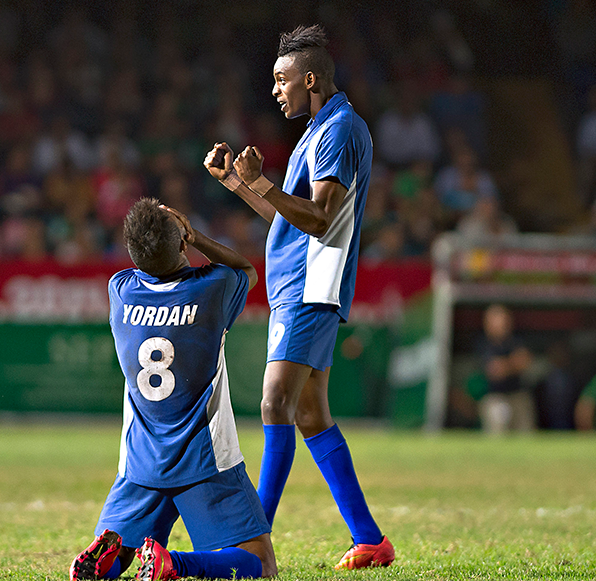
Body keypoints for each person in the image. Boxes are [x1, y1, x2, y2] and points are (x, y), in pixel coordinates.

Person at [202, 24, 392, 569]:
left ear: (310, 78)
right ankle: (369, 539)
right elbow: (292, 216)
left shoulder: (338, 129)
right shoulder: (319, 128)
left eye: (282, 79)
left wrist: (261, 186)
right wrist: (239, 185)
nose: (275, 90)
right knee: (309, 413)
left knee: (274, 403)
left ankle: (249, 540)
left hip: (310, 286)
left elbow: (322, 217)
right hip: (301, 284)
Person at [70, 199, 275, 580]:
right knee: (260, 564)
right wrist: (197, 236)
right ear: (182, 243)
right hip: (203, 458)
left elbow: (148, 266)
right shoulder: (213, 289)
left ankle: (105, 563)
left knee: (124, 547)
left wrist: (171, 241)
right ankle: (174, 564)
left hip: (140, 461)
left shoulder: (121, 290)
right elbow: (246, 268)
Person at [478, 304, 535, 434]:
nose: (501, 324)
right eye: (496, 319)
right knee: (497, 437)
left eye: (504, 319)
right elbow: (496, 371)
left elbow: (526, 362)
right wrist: (514, 363)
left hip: (517, 394)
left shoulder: (516, 339)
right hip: (495, 397)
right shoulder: (483, 343)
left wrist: (507, 365)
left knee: (526, 436)